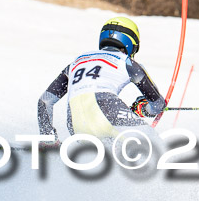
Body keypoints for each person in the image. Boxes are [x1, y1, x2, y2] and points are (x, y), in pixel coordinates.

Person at [37, 16, 165, 140]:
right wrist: (143, 109)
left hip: (75, 122)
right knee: (157, 146)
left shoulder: (77, 61)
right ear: (131, 44)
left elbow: (44, 101)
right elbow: (158, 104)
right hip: (108, 110)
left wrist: (48, 139)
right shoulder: (127, 62)